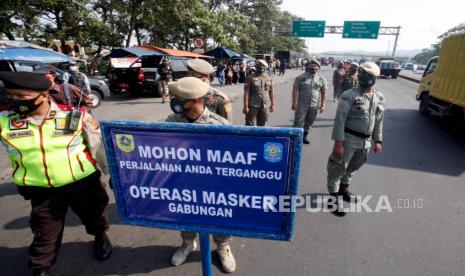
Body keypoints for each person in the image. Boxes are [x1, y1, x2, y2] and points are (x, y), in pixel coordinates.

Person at [0, 72, 112, 276]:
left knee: (95, 217)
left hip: (82, 183)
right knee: (44, 234)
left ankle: (100, 237)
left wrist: (112, 175)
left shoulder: (74, 116)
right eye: (10, 96)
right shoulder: (5, 121)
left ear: (43, 95)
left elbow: (98, 148)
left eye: (20, 96)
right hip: (41, 190)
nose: (13, 101)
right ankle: (40, 269)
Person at [166, 77, 236, 273]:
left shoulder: (220, 125)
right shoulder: (171, 122)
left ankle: (223, 247)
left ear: (196, 100)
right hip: (184, 182)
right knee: (185, 213)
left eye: (180, 98)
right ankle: (188, 243)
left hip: (214, 185)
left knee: (221, 214)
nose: (175, 101)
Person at [326, 62, 385, 217]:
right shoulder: (349, 95)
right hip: (348, 139)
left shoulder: (379, 97)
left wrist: (377, 140)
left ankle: (344, 189)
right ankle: (333, 200)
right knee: (338, 168)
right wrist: (338, 143)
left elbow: (379, 120)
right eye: (361, 74)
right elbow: (340, 120)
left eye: (367, 75)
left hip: (365, 141)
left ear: (376, 77)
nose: (363, 77)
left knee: (352, 167)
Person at [291, 59, 328, 144]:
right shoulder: (300, 78)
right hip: (301, 104)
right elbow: (295, 90)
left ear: (318, 67)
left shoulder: (321, 79)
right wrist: (294, 103)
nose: (313, 67)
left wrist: (323, 104)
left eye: (315, 66)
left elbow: (323, 92)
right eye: (311, 66)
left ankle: (304, 136)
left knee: (310, 121)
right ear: (307, 67)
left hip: (314, 105)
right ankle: (295, 138)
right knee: (298, 121)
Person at [243, 59, 275, 126]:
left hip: (264, 105)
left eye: (262, 66)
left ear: (265, 68)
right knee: (249, 124)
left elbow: (271, 92)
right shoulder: (250, 77)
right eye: (258, 65)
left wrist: (272, 104)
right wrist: (245, 106)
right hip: (252, 105)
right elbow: (246, 93)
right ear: (256, 67)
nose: (260, 67)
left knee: (262, 125)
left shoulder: (268, 78)